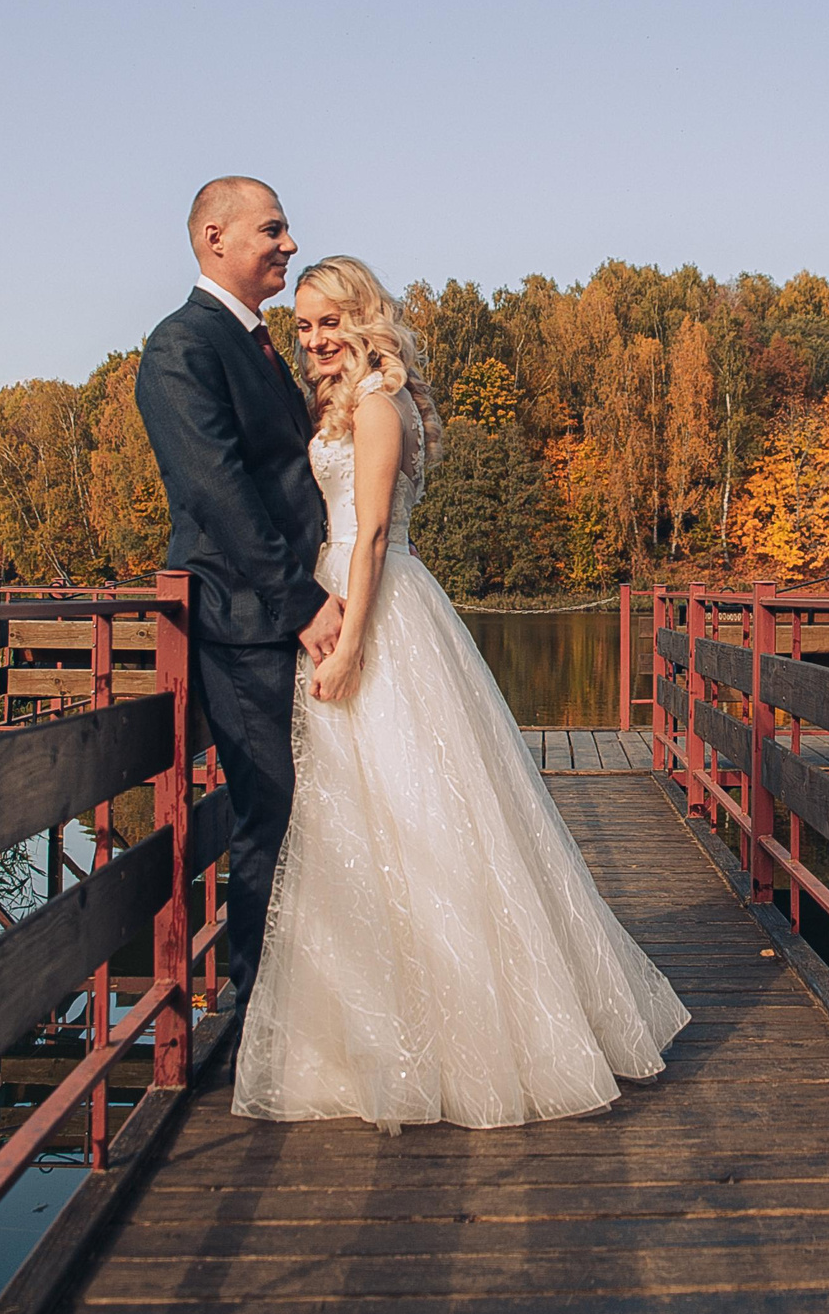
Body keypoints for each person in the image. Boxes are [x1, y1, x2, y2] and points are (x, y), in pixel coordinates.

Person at [230, 254, 688, 1130]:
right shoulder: (337, 400)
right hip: (341, 597)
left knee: (418, 815)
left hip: (376, 610)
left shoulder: (376, 404)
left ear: (365, 318)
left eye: (331, 321)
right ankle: (370, 1038)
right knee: (352, 824)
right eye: (304, 326)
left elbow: (366, 540)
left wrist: (349, 645)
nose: (317, 338)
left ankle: (461, 1041)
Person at [134, 177, 343, 1008]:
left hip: (293, 615)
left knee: (312, 810)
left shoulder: (252, 343)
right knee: (272, 812)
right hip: (251, 624)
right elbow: (220, 493)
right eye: (274, 229)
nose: (290, 244)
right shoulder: (181, 346)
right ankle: (258, 1014)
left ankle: (305, 1002)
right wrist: (302, 605)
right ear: (215, 237)